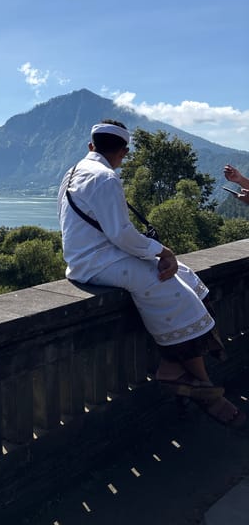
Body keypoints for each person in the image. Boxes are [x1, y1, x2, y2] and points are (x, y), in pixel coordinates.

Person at [57, 119, 245, 428]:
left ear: (92, 147)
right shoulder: (105, 178)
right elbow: (121, 234)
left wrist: (164, 256)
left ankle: (173, 367)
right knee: (172, 289)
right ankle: (208, 392)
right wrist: (162, 251)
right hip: (98, 262)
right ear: (124, 151)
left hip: (88, 259)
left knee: (185, 276)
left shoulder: (73, 172)